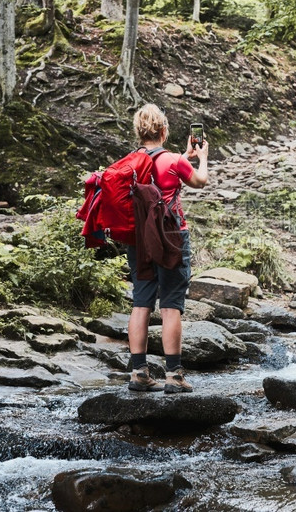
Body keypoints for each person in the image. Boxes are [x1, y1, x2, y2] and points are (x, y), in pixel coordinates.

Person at [126, 103, 208, 393]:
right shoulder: (174, 160)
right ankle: (173, 376)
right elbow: (199, 181)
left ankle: (139, 373)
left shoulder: (130, 161)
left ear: (139, 132)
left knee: (141, 301)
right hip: (171, 237)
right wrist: (202, 158)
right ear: (164, 131)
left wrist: (183, 156)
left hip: (139, 241)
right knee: (171, 304)